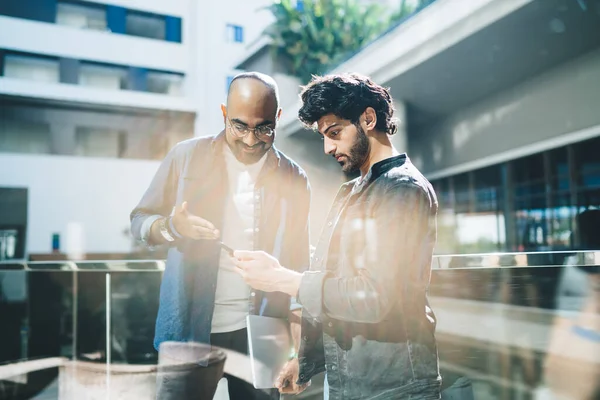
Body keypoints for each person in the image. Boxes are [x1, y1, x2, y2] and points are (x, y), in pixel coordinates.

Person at [232, 73, 442, 399]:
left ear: (368, 119)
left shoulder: (402, 190)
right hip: (347, 382)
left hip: (395, 388)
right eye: (323, 137)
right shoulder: (350, 191)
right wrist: (305, 364)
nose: (328, 147)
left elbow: (373, 297)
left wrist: (281, 279)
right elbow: (330, 284)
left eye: (334, 133)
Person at [130, 72, 311, 400]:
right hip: (188, 329)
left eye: (264, 128)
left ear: (278, 118)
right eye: (240, 126)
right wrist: (171, 227)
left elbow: (298, 271)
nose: (251, 140)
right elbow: (139, 221)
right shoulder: (186, 156)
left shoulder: (294, 178)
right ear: (224, 113)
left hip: (266, 334)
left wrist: (300, 352)